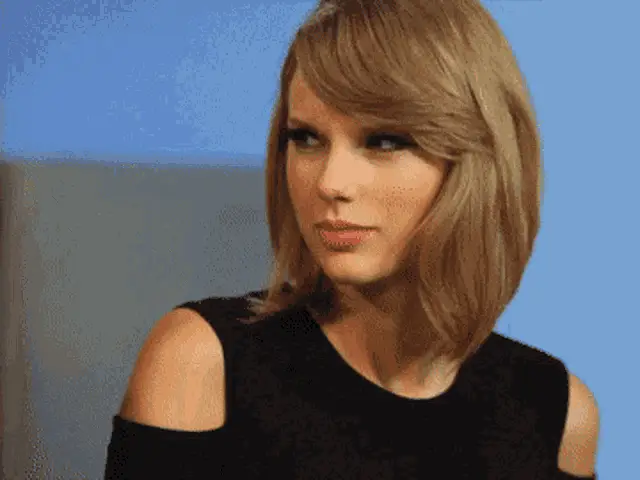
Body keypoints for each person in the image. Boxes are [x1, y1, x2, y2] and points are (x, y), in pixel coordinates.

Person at [105, 0, 600, 478]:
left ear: (477, 164)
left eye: (384, 141)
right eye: (306, 138)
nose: (331, 182)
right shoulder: (201, 364)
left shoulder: (555, 412)